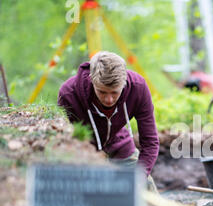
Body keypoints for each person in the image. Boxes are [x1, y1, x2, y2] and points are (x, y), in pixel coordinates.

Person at [58, 51, 159, 191]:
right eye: (102, 92)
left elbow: (150, 141)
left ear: (124, 84)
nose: (109, 99)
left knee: (146, 188)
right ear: (91, 80)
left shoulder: (138, 88)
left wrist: (138, 178)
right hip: (87, 154)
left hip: (120, 145)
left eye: (115, 92)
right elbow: (66, 142)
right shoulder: (69, 94)